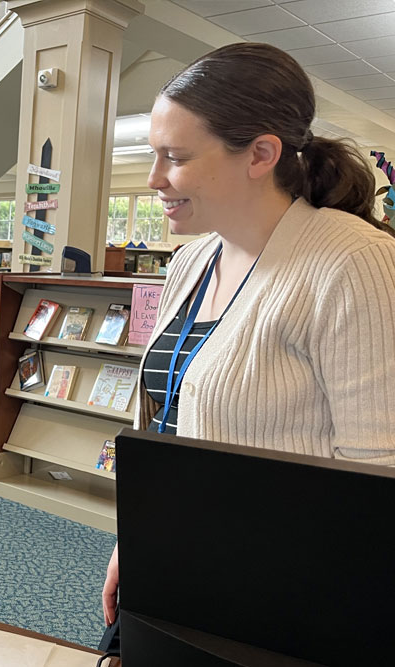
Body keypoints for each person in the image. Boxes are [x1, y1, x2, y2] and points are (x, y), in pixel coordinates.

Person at [101, 42, 395, 641]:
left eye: (174, 157)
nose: (154, 179)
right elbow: (173, 426)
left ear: (261, 153)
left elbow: (377, 478)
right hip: (178, 565)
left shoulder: (353, 263)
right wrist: (137, 539)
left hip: (282, 598)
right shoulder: (191, 260)